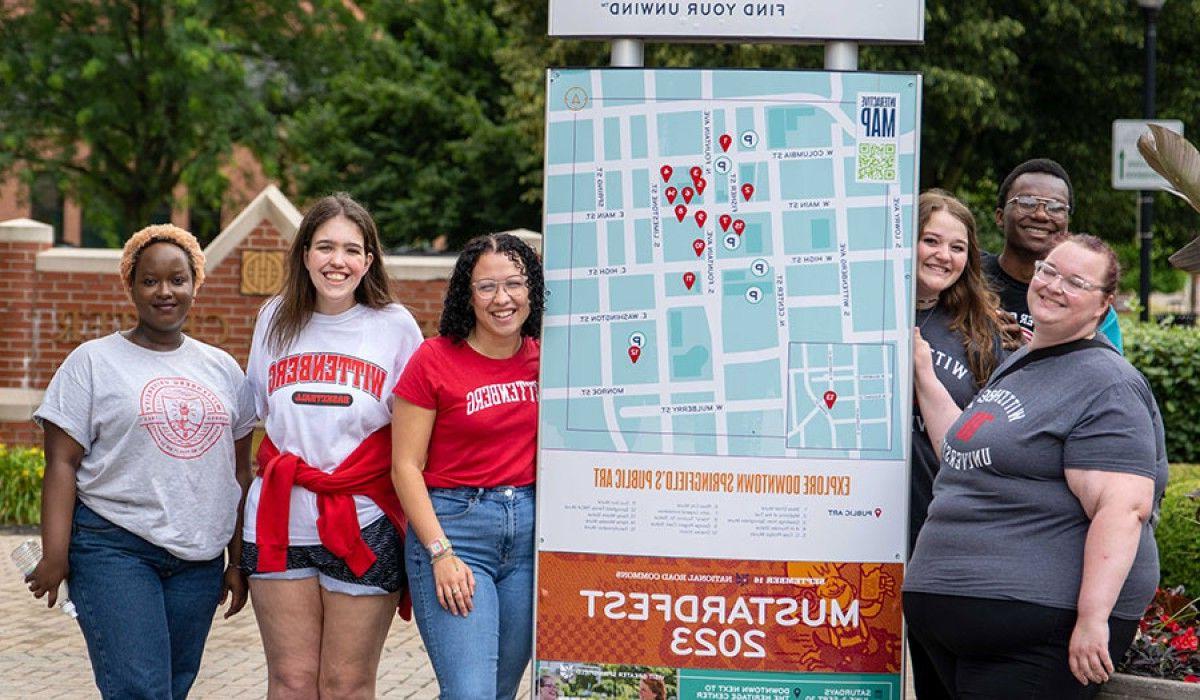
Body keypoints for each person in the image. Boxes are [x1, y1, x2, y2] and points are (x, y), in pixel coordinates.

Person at [905, 234, 1168, 698]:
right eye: (1048, 271)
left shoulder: (1108, 384)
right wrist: (924, 371)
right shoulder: (1021, 363)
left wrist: (1092, 618)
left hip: (1038, 632)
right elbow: (960, 453)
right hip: (954, 622)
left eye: (1075, 282)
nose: (1052, 285)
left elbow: (1122, 508)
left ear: (1103, 306)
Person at [27, 224, 257, 698]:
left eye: (177, 279)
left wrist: (238, 559)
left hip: (199, 558)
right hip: (114, 548)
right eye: (150, 280)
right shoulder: (91, 362)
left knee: (171, 687)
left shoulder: (223, 369)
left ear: (196, 283)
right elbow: (62, 464)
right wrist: (55, 553)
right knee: (140, 690)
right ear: (130, 285)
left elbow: (238, 473)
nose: (165, 291)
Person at [240, 193, 423, 698]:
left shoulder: (395, 325)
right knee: (291, 681)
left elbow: (413, 432)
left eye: (350, 249)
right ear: (304, 254)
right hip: (278, 519)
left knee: (346, 682)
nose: (336, 261)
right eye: (324, 247)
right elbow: (259, 413)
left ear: (368, 260)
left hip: (363, 522)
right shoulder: (274, 317)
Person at [391, 232, 543, 699]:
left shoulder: (548, 357)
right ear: (467, 294)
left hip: (528, 539)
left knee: (499, 691)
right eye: (487, 287)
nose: (503, 299)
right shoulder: (433, 360)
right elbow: (405, 467)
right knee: (470, 693)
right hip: (457, 532)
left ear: (531, 290)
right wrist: (441, 553)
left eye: (514, 284)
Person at [908, 190, 1010, 698]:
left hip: (937, 526)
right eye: (930, 240)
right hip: (855, 524)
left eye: (958, 247)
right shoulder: (858, 314)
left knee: (936, 678)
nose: (943, 256)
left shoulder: (981, 332)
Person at [984, 158, 1123, 351]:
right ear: (999, 216)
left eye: (1056, 207)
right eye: (1026, 202)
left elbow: (1105, 371)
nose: (1041, 215)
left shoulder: (1090, 303)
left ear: (1066, 223)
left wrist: (1028, 353)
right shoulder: (969, 277)